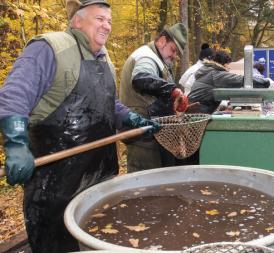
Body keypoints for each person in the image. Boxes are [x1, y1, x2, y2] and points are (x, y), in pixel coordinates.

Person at [0, 1, 160, 252]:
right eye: (99, 19)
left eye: (109, 20)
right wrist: (16, 144)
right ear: (77, 21)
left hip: (101, 180)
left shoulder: (104, 58)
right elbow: (13, 97)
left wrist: (131, 119)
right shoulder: (49, 49)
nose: (107, 26)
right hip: (56, 189)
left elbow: (110, 103)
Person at [119, 23, 189, 172]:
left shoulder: (158, 59)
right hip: (141, 134)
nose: (174, 56)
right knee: (143, 183)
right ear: (162, 41)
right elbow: (140, 78)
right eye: (173, 50)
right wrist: (173, 90)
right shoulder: (146, 57)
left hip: (150, 132)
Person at [188, 51, 270, 114]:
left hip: (193, 107)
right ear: (223, 64)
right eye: (228, 65)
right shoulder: (216, 74)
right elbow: (239, 79)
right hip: (199, 110)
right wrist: (264, 82)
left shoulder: (208, 71)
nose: (229, 68)